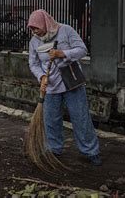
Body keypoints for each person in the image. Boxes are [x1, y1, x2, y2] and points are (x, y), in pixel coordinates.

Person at [27, 9, 101, 166]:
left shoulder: (65, 30)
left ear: (45, 24)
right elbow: (33, 63)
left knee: (80, 118)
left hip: (71, 81)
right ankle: (54, 149)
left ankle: (90, 151)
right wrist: (41, 76)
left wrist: (62, 53)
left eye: (36, 28)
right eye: (32, 29)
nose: (34, 32)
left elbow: (82, 50)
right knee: (51, 119)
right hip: (51, 85)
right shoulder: (34, 41)